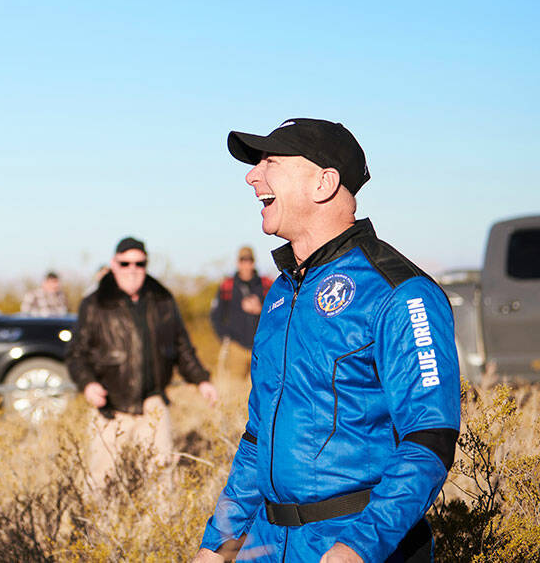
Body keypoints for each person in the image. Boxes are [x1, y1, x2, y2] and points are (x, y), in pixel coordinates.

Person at [192, 119, 460, 563]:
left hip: (352, 544)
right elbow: (257, 437)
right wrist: (218, 541)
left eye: (270, 161)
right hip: (266, 544)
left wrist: (355, 549)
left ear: (324, 182)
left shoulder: (399, 291)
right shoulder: (280, 294)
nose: (252, 175)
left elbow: (429, 439)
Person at [67, 237, 217, 487]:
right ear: (114, 264)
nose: (132, 269)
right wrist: (88, 384)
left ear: (146, 264)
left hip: (153, 404)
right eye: (125, 263)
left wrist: (201, 379)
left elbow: (182, 347)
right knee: (100, 482)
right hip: (110, 408)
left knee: (162, 480)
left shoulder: (163, 300)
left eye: (139, 263)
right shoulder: (94, 304)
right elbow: (76, 354)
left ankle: (155, 527)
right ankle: (101, 527)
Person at [209, 246, 272, 381]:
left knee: (262, 390)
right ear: (238, 263)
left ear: (253, 262)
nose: (246, 264)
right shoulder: (228, 285)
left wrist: (260, 309)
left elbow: (278, 313)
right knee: (234, 392)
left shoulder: (266, 284)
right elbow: (216, 316)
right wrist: (226, 339)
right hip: (236, 348)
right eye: (242, 261)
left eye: (249, 260)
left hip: (261, 348)